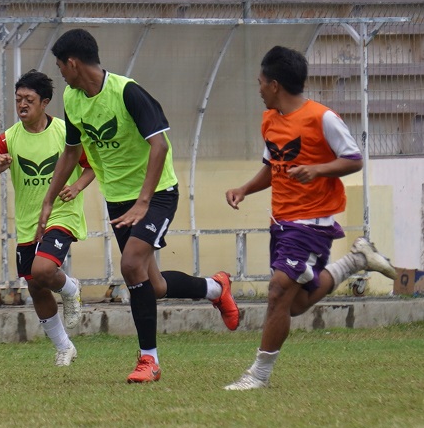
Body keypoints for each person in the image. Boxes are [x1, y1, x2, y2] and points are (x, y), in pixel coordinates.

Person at [38, 28, 240, 384]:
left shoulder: (127, 91)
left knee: (131, 265)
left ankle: (150, 360)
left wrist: (144, 201)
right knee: (154, 285)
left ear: (72, 63)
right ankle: (215, 287)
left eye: (60, 66)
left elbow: (159, 146)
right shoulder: (72, 98)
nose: (61, 74)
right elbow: (72, 151)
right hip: (119, 200)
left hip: (158, 192)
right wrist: (49, 198)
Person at [223, 45, 397, 390]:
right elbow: (274, 168)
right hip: (282, 222)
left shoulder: (322, 118)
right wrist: (244, 189)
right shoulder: (270, 120)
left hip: (312, 224)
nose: (257, 89)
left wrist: (318, 170)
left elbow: (354, 159)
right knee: (295, 304)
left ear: (274, 85)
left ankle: (258, 376)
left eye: (260, 82)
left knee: (276, 293)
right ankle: (356, 260)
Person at [0, 69, 95, 366]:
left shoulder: (66, 133)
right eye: (18, 99)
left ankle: (71, 288)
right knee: (35, 286)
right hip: (29, 222)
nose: (22, 105)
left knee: (43, 270)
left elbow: (93, 165)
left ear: (45, 102)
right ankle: (64, 347)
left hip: (61, 214)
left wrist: (77, 186)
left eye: (28, 99)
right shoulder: (8, 138)